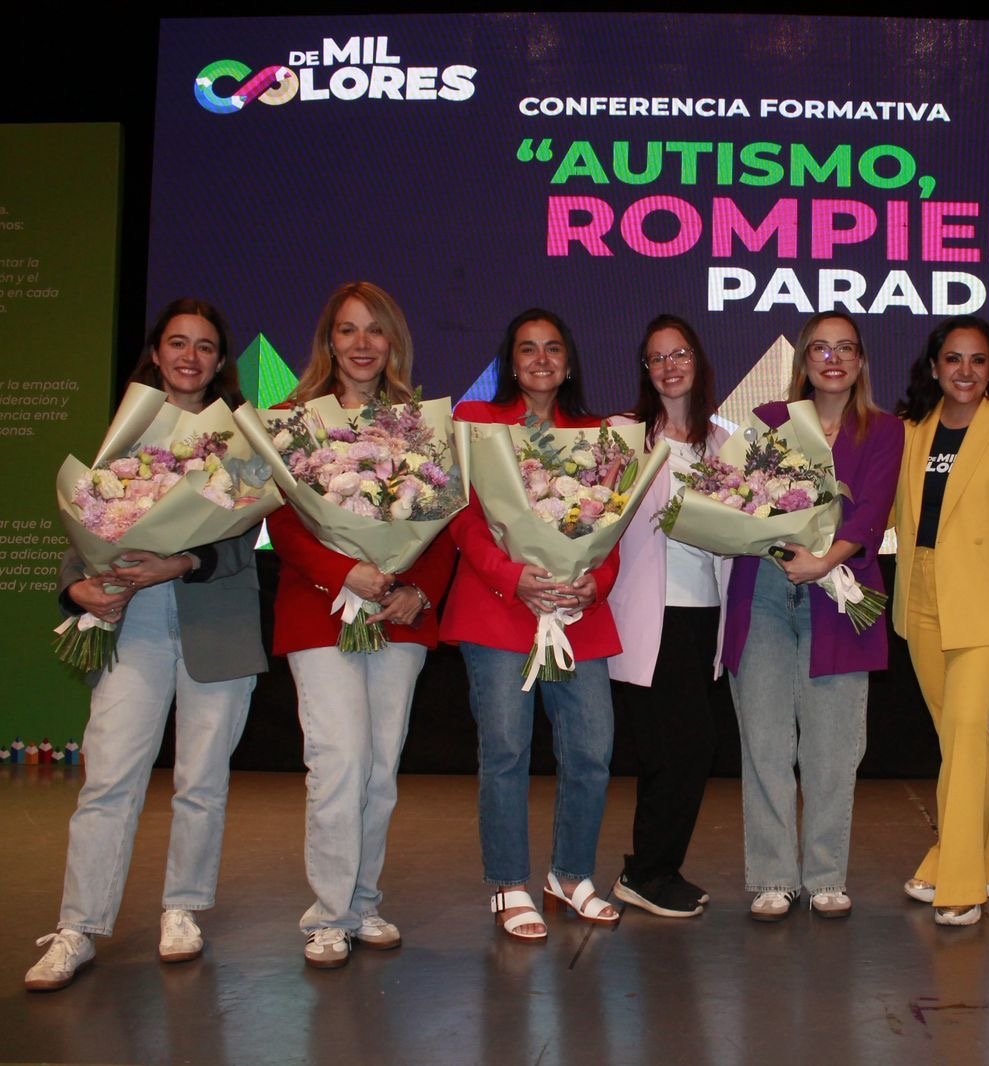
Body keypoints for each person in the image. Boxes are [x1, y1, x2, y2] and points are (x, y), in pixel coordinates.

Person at [26, 299, 266, 992]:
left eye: (205, 346)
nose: (190, 357)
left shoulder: (244, 440)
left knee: (202, 779)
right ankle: (77, 926)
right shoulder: (127, 433)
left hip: (217, 621)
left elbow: (244, 541)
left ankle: (182, 910)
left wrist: (183, 561)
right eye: (177, 343)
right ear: (156, 354)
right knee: (109, 777)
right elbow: (88, 524)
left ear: (220, 362)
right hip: (131, 618)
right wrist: (76, 588)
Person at [269, 282, 455, 968]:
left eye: (375, 330)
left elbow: (446, 519)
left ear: (393, 341)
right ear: (329, 340)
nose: (362, 344)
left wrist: (418, 591)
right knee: (339, 760)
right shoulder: (293, 419)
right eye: (348, 330)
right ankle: (328, 914)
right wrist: (344, 573)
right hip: (320, 610)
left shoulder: (419, 423)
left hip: (398, 615)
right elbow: (284, 521)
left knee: (379, 768)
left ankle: (363, 901)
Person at [443, 307, 621, 940]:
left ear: (568, 363)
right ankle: (508, 883)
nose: (541, 359)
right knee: (506, 751)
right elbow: (463, 517)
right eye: (527, 348)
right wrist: (510, 575)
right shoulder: (477, 422)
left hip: (576, 612)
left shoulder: (600, 434)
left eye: (553, 348)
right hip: (498, 610)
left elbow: (614, 522)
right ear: (511, 362)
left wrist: (594, 583)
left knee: (591, 749)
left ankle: (570, 876)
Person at [723, 311, 903, 921]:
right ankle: (773, 876)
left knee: (833, 747)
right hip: (765, 589)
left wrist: (823, 561)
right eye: (820, 348)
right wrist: (785, 552)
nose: (833, 359)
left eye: (845, 348)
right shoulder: (770, 419)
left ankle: (826, 875)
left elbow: (872, 511)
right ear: (803, 360)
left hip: (841, 591)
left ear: (861, 361)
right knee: (766, 742)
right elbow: (738, 500)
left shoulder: (884, 429)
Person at [893, 315, 989, 927]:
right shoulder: (910, 432)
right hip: (921, 597)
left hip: (986, 604)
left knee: (964, 730)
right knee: (958, 741)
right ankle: (985, 858)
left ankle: (957, 878)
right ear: (934, 367)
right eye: (953, 359)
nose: (965, 370)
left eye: (977, 360)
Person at [606, 315, 731, 919]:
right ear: (645, 371)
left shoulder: (723, 443)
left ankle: (660, 868)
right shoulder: (624, 434)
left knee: (689, 749)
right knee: (673, 749)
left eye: (678, 354)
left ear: (697, 362)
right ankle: (645, 873)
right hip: (647, 614)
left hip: (704, 613)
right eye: (656, 358)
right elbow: (597, 513)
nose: (669, 366)